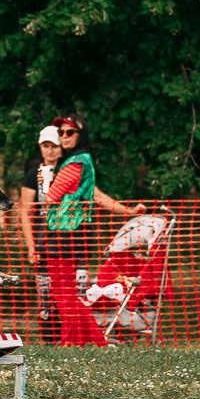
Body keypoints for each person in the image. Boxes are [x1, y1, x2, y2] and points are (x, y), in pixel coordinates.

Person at [41, 113, 146, 346]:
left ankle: (84, 341)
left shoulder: (75, 163)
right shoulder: (84, 161)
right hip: (72, 233)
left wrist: (46, 179)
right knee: (65, 291)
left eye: (70, 132)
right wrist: (128, 211)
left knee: (62, 292)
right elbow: (99, 197)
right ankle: (82, 341)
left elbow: (51, 198)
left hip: (64, 233)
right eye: (61, 133)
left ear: (81, 135)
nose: (64, 137)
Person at [20, 125, 63, 343]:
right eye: (46, 146)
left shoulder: (70, 171)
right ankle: (49, 339)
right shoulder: (32, 175)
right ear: (40, 148)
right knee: (45, 292)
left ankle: (70, 336)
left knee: (69, 291)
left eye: (54, 146)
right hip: (43, 241)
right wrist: (31, 246)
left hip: (68, 242)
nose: (50, 151)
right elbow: (25, 212)